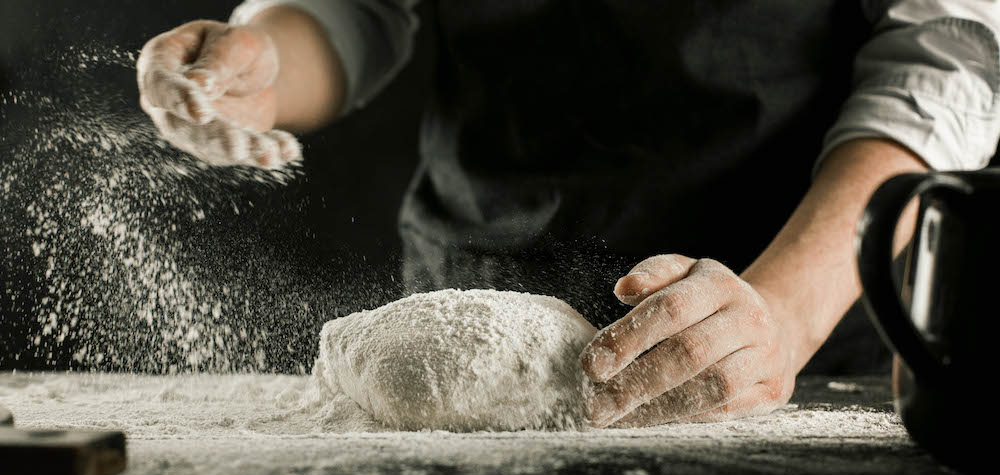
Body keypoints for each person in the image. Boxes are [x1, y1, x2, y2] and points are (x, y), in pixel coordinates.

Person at [137, 1, 1000, 428]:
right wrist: (263, 60)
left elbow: (947, 54)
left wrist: (783, 312)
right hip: (465, 314)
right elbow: (358, 11)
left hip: (792, 326)